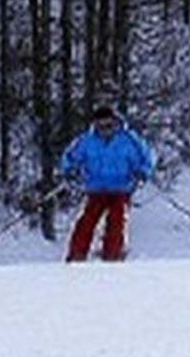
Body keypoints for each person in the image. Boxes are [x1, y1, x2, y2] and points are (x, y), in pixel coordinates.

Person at [59, 104, 155, 262]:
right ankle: (76, 256)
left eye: (108, 125)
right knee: (86, 221)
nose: (104, 130)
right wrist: (69, 171)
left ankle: (112, 256)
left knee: (116, 222)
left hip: (121, 189)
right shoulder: (87, 141)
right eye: (100, 126)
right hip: (96, 189)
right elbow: (70, 156)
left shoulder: (127, 140)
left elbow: (145, 157)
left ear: (115, 123)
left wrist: (142, 173)